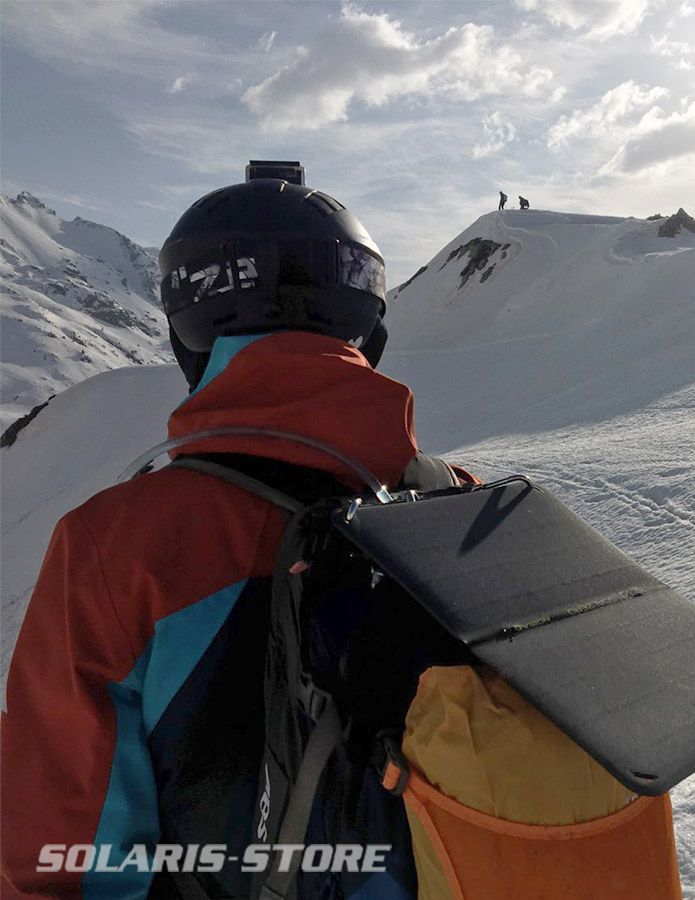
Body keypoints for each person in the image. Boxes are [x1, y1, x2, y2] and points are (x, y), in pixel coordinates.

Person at [0, 167, 471, 898]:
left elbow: (64, 851)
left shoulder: (117, 546)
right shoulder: (462, 511)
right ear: (366, 324)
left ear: (189, 333)